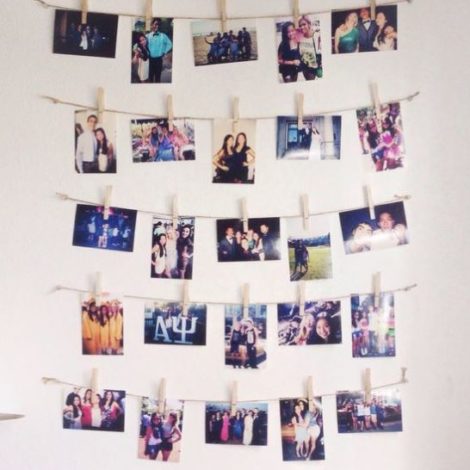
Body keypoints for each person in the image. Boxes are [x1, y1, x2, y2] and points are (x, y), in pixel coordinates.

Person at [146, 18, 172, 83]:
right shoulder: (147, 36)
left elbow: (170, 44)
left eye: (158, 24)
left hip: (159, 60)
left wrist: (164, 51)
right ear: (152, 25)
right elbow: (140, 45)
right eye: (155, 24)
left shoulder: (163, 36)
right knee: (150, 78)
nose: (156, 26)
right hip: (150, 60)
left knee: (158, 78)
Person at [297, 16, 321, 80]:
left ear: (309, 24)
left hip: (313, 66)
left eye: (304, 24)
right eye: (300, 25)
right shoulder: (299, 37)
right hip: (304, 65)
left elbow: (320, 50)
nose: (302, 27)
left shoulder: (316, 35)